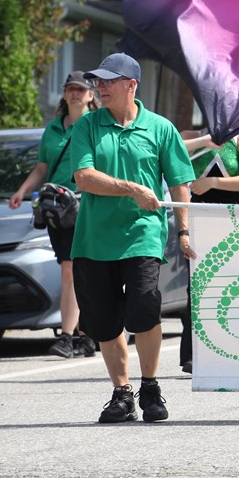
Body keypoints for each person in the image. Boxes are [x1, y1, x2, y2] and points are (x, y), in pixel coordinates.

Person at [69, 53, 197, 424]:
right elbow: (84, 177)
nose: (100, 87)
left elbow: (179, 183)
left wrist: (184, 231)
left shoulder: (160, 128)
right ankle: (122, 394)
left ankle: (150, 387)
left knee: (144, 307)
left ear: (131, 85)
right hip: (94, 240)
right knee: (105, 321)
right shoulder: (88, 126)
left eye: (109, 80)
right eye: (98, 81)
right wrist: (131, 189)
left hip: (143, 235)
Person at [9, 71, 99, 358]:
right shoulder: (53, 128)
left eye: (80, 89)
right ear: (64, 93)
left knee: (84, 270)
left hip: (88, 204)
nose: (75, 93)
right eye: (70, 88)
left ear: (90, 96)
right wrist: (22, 191)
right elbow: (42, 168)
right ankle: (73, 336)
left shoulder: (96, 124)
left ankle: (80, 334)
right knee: (69, 270)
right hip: (59, 208)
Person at [178, 129, 239, 373]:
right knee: (197, 286)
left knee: (232, 284)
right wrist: (203, 140)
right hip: (198, 216)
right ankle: (194, 354)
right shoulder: (189, 135)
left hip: (232, 217)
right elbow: (172, 154)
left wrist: (212, 182)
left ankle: (234, 349)